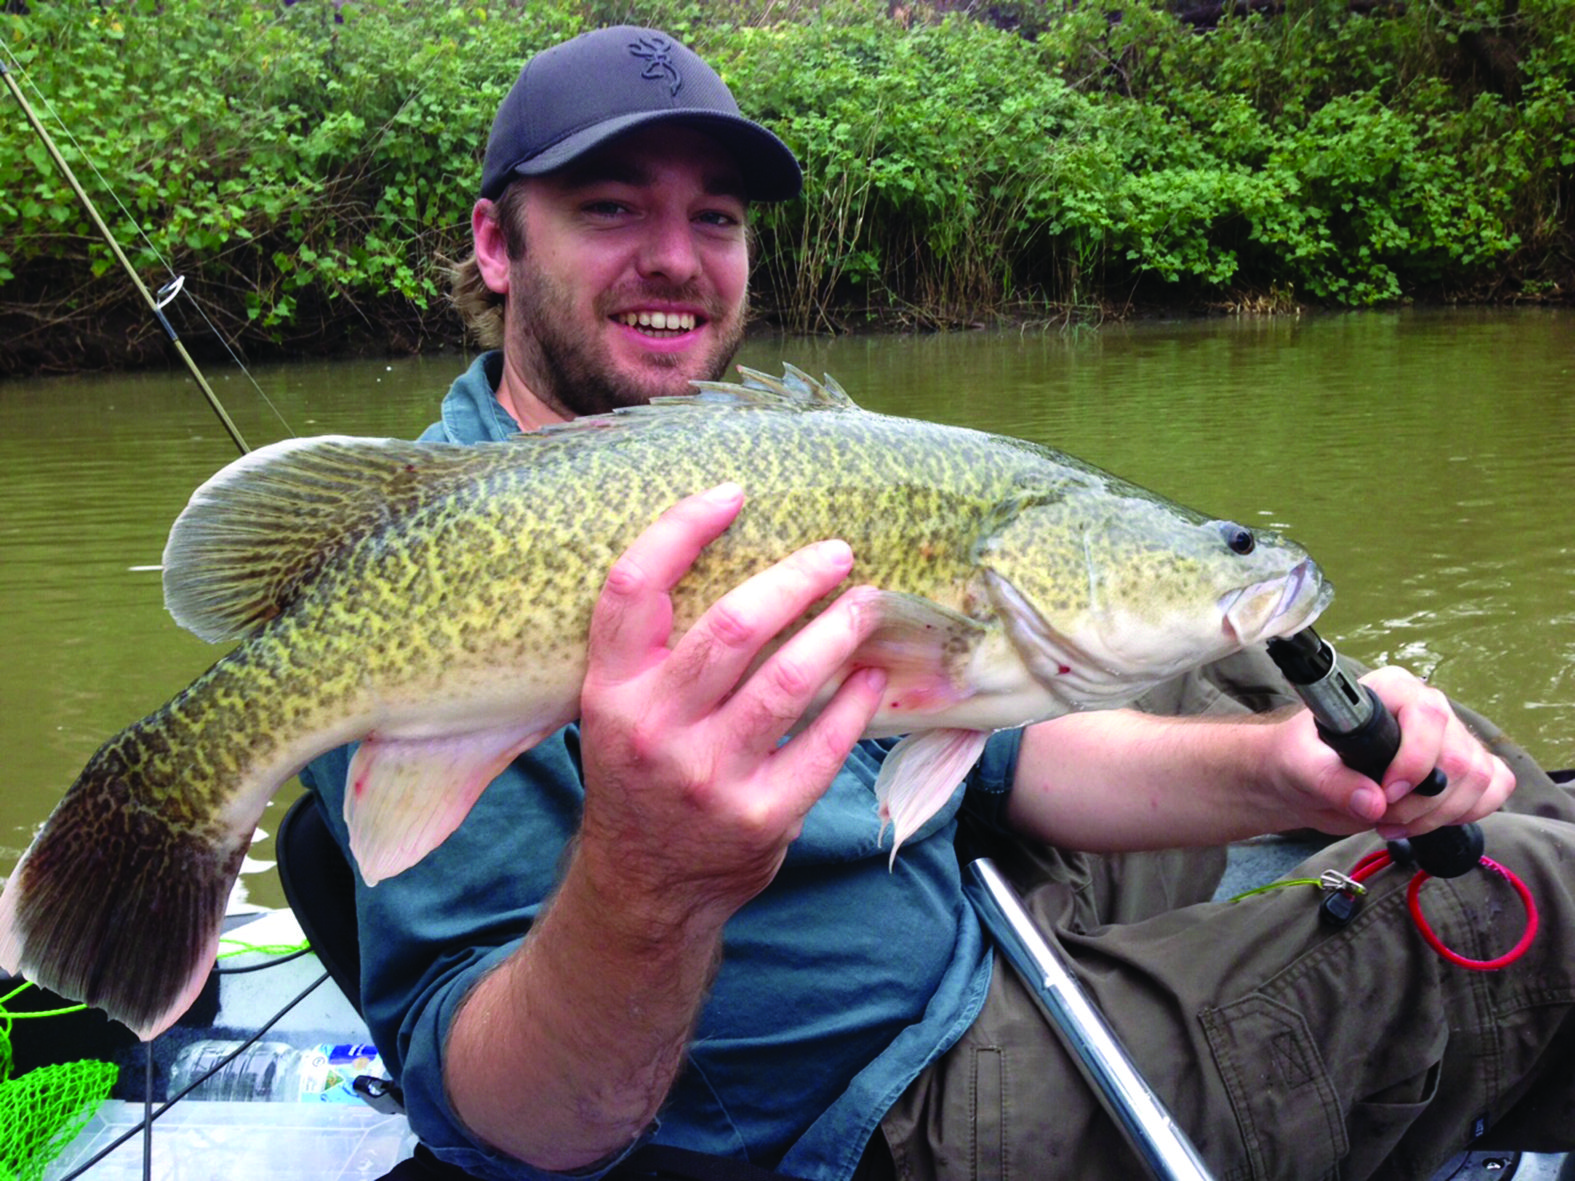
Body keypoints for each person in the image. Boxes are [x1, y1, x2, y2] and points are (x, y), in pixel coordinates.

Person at [299, 25, 1575, 1181]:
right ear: (493, 243)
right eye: (610, 207)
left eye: (722, 217)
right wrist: (652, 878)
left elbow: (992, 753)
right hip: (893, 1117)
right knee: (1517, 893)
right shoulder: (423, 573)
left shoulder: (747, 462)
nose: (679, 261)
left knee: (1297, 700)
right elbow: (513, 1124)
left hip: (974, 914)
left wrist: (1286, 775)